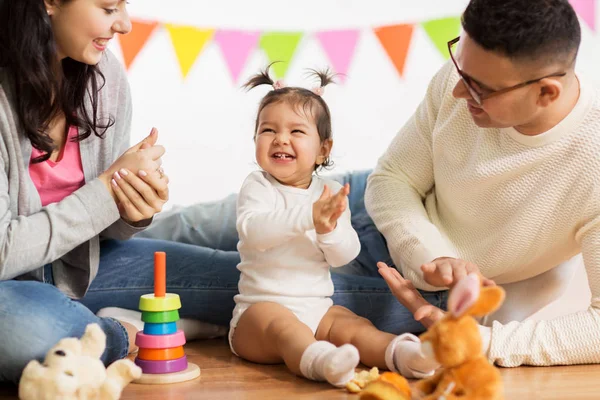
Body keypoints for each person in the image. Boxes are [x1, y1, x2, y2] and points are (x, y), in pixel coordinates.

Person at [0, 1, 433, 384]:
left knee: (284, 290)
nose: (126, 24)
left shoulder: (103, 77)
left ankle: (421, 323)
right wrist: (103, 193)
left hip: (87, 263)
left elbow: (107, 228)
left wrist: (133, 210)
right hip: (13, 281)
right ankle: (121, 331)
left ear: (324, 150)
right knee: (29, 334)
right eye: (110, 6)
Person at [367, 0, 600, 367]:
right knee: (249, 208)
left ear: (546, 93)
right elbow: (392, 177)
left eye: (479, 89)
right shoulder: (468, 76)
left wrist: (485, 342)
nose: (458, 92)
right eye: (459, 64)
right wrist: (430, 256)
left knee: (248, 281)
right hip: (384, 211)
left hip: (423, 291)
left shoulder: (594, 160)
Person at [227, 67, 439, 387]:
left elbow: (345, 256)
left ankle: (404, 355)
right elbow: (254, 232)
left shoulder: (326, 195)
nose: (280, 138)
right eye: (268, 130)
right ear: (255, 139)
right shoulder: (258, 185)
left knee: (353, 325)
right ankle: (321, 361)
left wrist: (329, 230)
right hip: (256, 319)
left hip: (317, 312)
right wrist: (308, 218)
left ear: (323, 150)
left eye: (296, 132)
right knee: (283, 326)